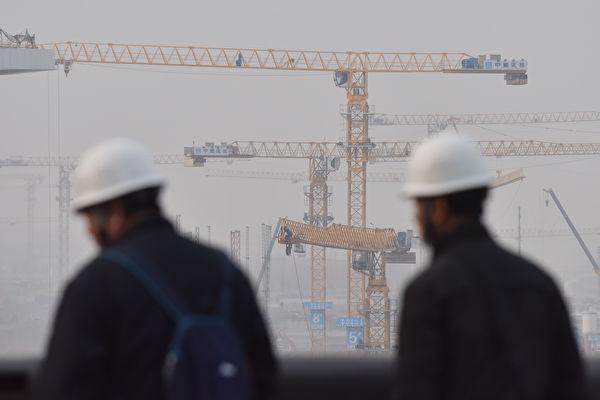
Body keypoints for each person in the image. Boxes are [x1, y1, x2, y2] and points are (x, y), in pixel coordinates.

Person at [34, 138, 277, 400]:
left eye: (91, 217)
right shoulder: (226, 272)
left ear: (114, 211)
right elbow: (264, 377)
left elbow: (63, 387)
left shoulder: (95, 285)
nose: (90, 230)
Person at [397, 134, 586, 400]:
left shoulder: (427, 293)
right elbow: (570, 386)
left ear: (438, 208)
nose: (416, 218)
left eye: (418, 205)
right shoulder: (540, 284)